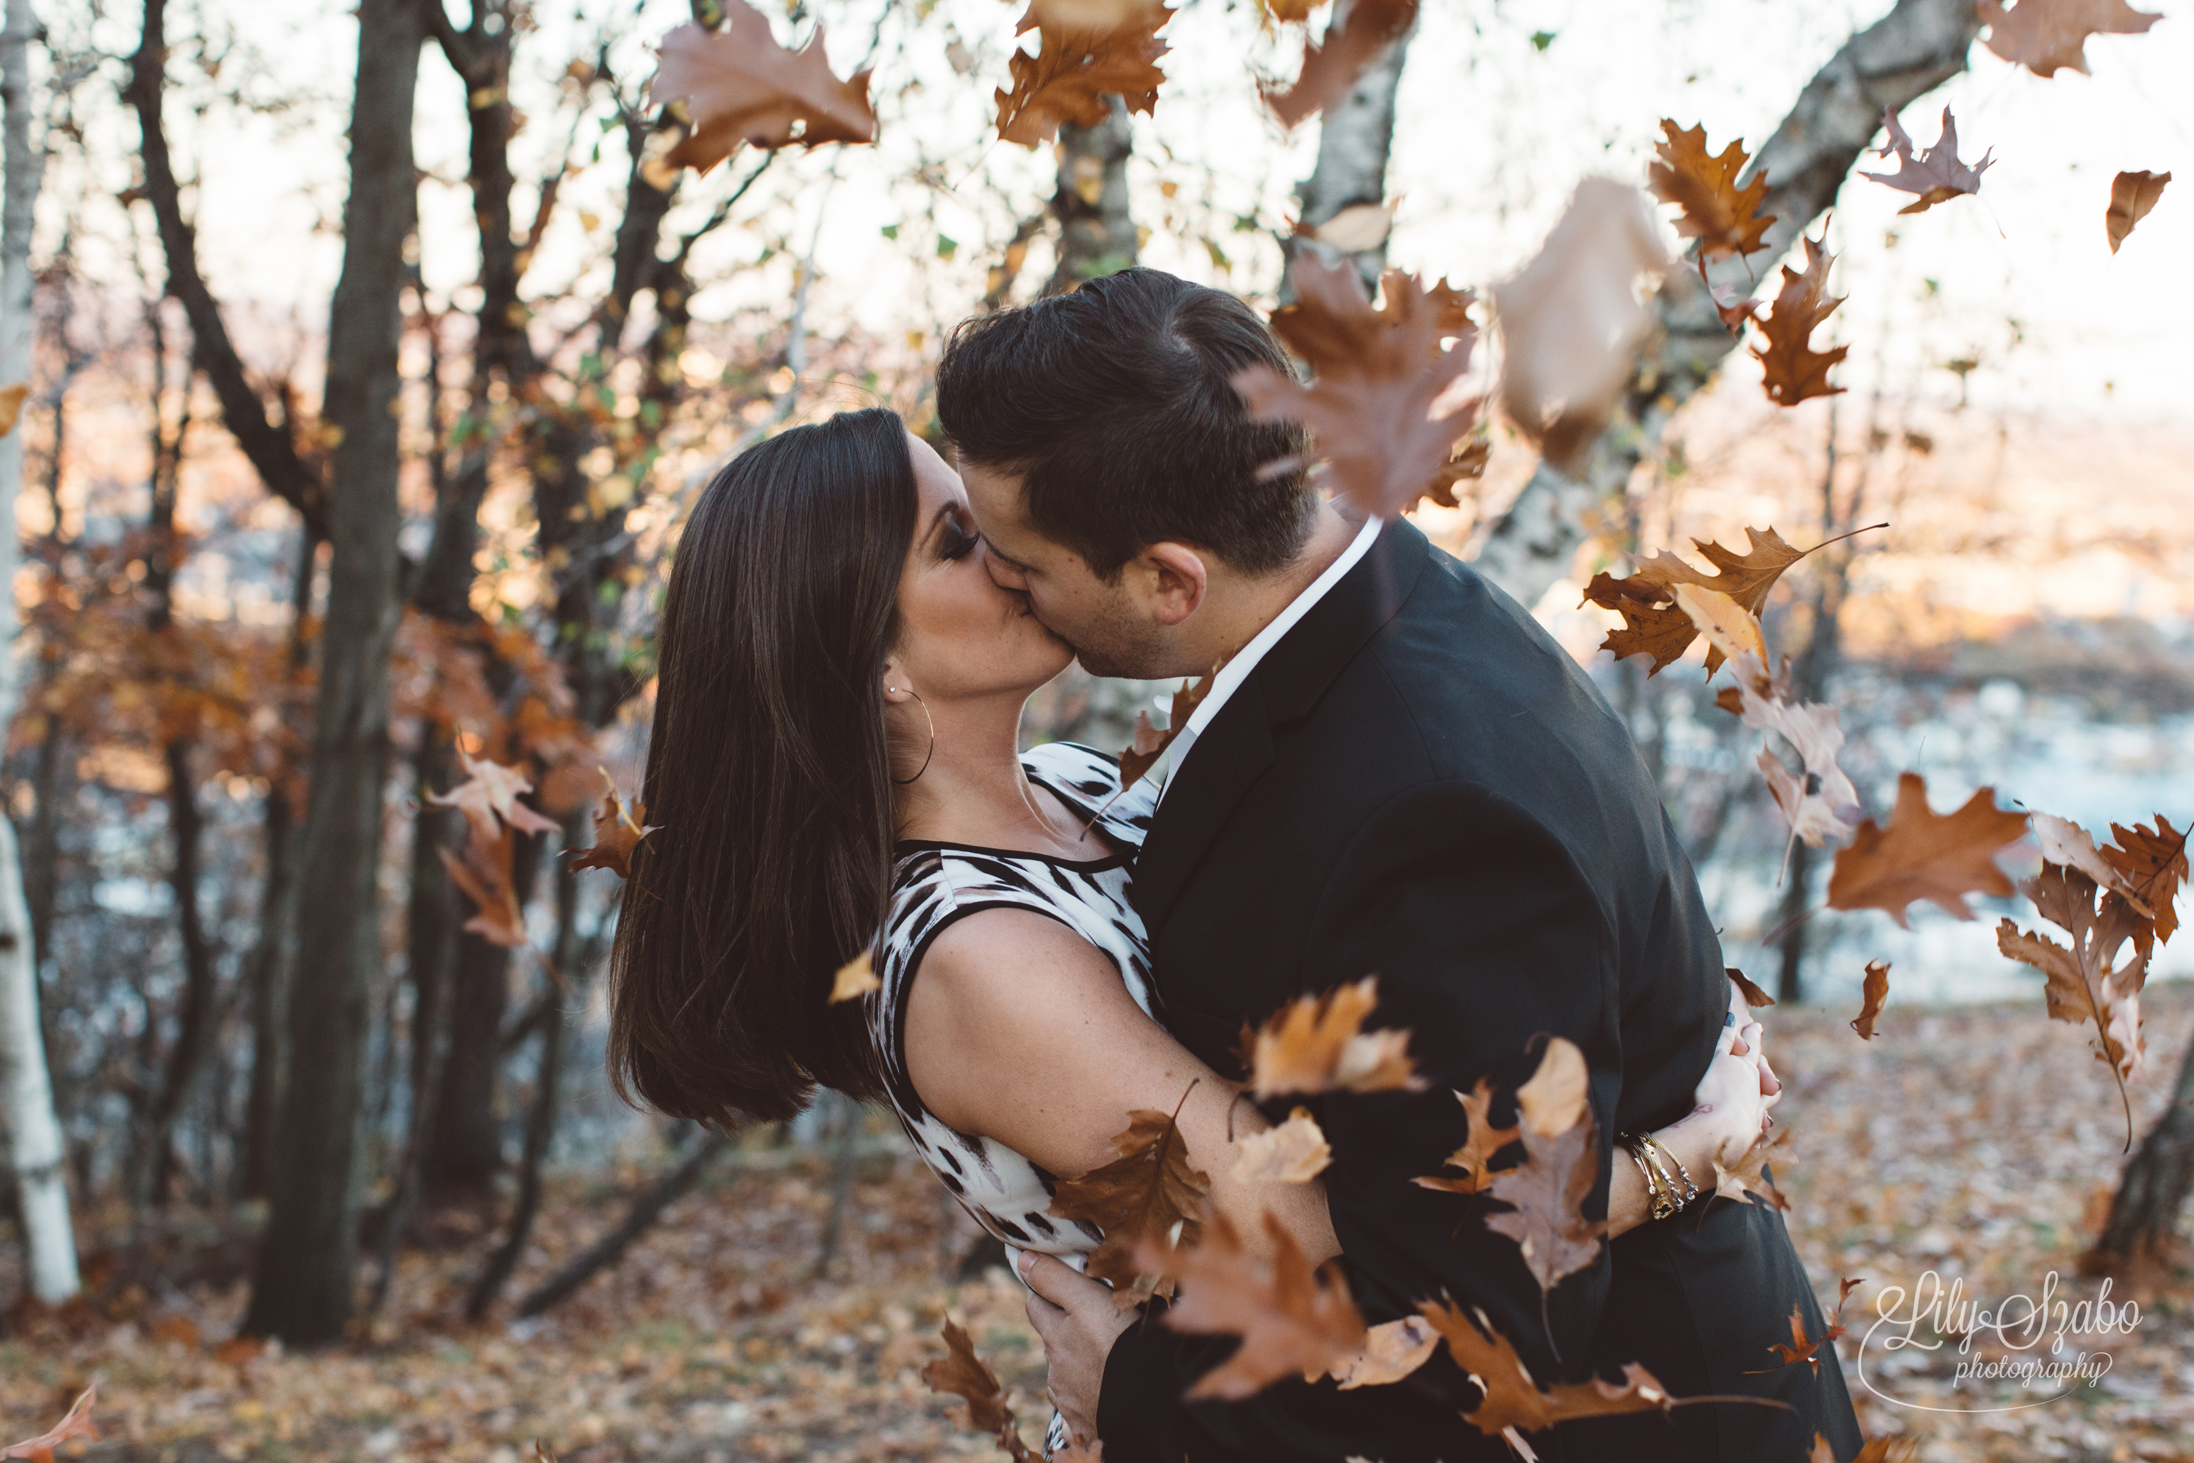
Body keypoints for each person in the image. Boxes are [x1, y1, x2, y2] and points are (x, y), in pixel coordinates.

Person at [603, 404, 1783, 1458]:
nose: (1015, 551)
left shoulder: (1071, 787)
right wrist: (1671, 1162)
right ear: (873, 672)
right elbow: (1320, 1235)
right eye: (958, 543)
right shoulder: (979, 959)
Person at [931, 268, 1864, 1462]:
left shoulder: (1433, 811)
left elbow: (1484, 1327)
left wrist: (1135, 1392)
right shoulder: (1364, 611)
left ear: (1171, 579)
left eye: (1021, 558)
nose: (1004, 582)